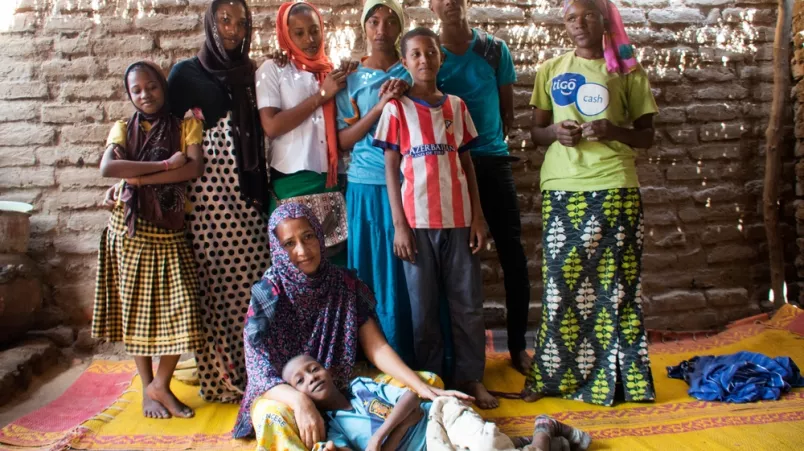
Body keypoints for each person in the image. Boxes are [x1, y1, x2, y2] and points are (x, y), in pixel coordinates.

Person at [232, 203, 470, 449]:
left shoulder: (343, 284)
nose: (302, 250)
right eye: (289, 244)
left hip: (343, 383)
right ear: (278, 250)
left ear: (319, 234)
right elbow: (259, 374)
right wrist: (300, 401)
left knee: (430, 384)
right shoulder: (267, 296)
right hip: (285, 392)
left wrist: (420, 387)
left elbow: (376, 348)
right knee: (272, 417)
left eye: (308, 236)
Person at [523, 0, 658, 406]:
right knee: (561, 288)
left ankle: (623, 382)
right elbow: (535, 132)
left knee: (618, 288)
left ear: (604, 20)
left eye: (588, 16)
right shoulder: (551, 70)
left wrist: (613, 129)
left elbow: (647, 136)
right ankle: (550, 377)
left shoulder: (628, 69)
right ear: (563, 25)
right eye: (570, 17)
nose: (579, 24)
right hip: (564, 187)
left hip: (615, 186)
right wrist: (556, 134)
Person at [373, 27, 497, 409]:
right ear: (405, 62)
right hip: (416, 225)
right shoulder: (397, 109)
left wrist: (477, 217)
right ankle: (431, 384)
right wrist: (399, 225)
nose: (424, 60)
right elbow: (390, 170)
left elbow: (466, 164)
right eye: (415, 55)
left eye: (430, 52)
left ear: (440, 58)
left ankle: (471, 378)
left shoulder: (456, 107)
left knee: (467, 304)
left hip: (459, 222)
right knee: (423, 309)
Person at [164, 0, 271, 403]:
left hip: (249, 199)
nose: (233, 29)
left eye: (241, 22)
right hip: (208, 204)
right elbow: (166, 134)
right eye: (224, 20)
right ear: (210, 23)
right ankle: (223, 378)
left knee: (254, 289)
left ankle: (258, 371)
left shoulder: (251, 72)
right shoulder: (185, 75)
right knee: (216, 291)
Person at [93, 61, 204, 419]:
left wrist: (136, 178)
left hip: (169, 227)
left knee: (183, 306)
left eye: (152, 86)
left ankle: (161, 383)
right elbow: (109, 169)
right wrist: (165, 168)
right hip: (130, 228)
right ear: (129, 94)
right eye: (137, 90)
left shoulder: (186, 125)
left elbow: (194, 168)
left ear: (164, 86)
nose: (145, 95)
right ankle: (148, 391)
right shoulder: (122, 128)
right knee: (135, 310)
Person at [430, 0, 533, 374]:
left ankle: (518, 346)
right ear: (431, 6)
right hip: (449, 167)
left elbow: (507, 112)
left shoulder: (493, 49)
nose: (450, 3)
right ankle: (458, 355)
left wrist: (488, 143)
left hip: (492, 160)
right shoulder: (429, 54)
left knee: (513, 255)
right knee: (457, 261)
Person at [281, 354, 592, 451]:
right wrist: (404, 425)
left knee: (487, 446)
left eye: (314, 369)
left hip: (439, 416)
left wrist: (380, 437)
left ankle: (544, 425)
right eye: (301, 381)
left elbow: (411, 397)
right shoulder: (334, 429)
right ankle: (544, 443)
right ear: (300, 397)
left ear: (329, 370)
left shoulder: (361, 386)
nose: (311, 378)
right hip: (432, 445)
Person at [336, 0, 414, 364]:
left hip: (407, 184)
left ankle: (406, 350)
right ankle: (371, 355)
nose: (381, 29)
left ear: (400, 28)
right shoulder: (351, 78)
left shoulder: (411, 71)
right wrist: (380, 107)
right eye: (374, 21)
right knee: (369, 272)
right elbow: (342, 141)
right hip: (365, 185)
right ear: (364, 27)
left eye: (390, 22)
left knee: (403, 270)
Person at [256, 1, 357, 266]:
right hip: (291, 185)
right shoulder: (273, 70)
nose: (309, 39)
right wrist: (321, 96)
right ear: (286, 34)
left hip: (331, 185)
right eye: (298, 33)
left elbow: (342, 126)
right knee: (297, 271)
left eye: (314, 30)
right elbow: (272, 126)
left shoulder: (329, 71)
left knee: (336, 271)